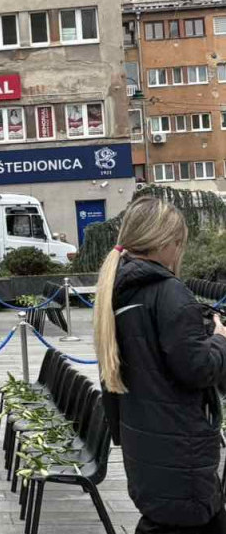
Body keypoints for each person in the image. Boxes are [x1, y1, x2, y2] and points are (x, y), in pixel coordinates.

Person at [94, 196, 226, 534]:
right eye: (179, 243)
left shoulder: (117, 289)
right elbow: (198, 369)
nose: (180, 252)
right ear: (165, 242)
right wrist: (220, 339)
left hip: (147, 445)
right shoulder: (168, 292)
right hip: (179, 450)